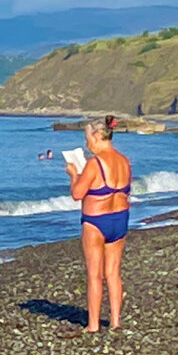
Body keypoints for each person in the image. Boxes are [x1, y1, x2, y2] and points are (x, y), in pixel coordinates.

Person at [66, 118, 131, 333]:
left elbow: (77, 194)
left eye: (87, 139)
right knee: (113, 272)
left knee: (94, 274)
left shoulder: (94, 163)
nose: (87, 145)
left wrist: (74, 174)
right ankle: (115, 321)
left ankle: (93, 324)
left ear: (96, 136)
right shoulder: (124, 160)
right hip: (119, 218)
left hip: (96, 221)